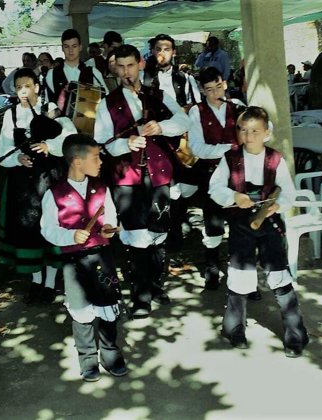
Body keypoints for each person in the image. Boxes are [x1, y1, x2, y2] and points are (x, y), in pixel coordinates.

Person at [93, 44, 190, 319]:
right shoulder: (107, 103)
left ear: (140, 65)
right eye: (121, 67)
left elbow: (184, 121)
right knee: (136, 238)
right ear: (115, 68)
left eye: (130, 66)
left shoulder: (158, 95)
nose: (126, 72)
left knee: (158, 233)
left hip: (159, 175)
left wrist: (162, 127)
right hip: (127, 178)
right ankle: (140, 297)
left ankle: (156, 286)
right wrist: (126, 143)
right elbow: (102, 142)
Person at [209, 106, 309, 356]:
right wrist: (234, 196)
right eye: (244, 130)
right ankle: (234, 327)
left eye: (255, 131)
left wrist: (277, 205)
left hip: (269, 223)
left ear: (266, 133)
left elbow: (287, 191)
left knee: (278, 272)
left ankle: (295, 332)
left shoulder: (275, 159)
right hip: (241, 223)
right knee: (240, 272)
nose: (249, 136)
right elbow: (215, 188)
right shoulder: (230, 158)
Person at [41, 133, 127, 382]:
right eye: (96, 157)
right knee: (81, 309)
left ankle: (110, 353)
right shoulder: (54, 193)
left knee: (107, 305)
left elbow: (110, 215)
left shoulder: (101, 187)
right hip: (74, 262)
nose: (101, 161)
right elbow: (48, 229)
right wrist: (70, 236)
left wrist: (109, 228)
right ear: (78, 161)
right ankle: (88, 358)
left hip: (102, 257)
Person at [0, 67, 77, 304]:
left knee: (50, 226)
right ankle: (36, 280)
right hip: (23, 185)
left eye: (27, 86)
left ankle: (50, 283)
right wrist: (18, 158)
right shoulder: (11, 115)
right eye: (19, 87)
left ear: (37, 87)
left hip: (50, 179)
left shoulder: (50, 109)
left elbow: (69, 138)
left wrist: (48, 147)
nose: (23, 91)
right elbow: (3, 152)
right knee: (29, 230)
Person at [188, 66, 248, 292]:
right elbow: (197, 148)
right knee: (213, 221)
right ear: (203, 91)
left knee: (240, 221)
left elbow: (262, 128)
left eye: (218, 87)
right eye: (209, 90)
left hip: (239, 173)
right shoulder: (197, 112)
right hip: (211, 173)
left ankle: (242, 271)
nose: (216, 93)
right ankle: (212, 267)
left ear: (224, 84)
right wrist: (229, 148)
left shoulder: (238, 106)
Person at [143, 33, 201, 252]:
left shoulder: (185, 78)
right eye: (158, 49)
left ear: (173, 52)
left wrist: (180, 115)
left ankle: (177, 224)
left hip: (179, 138)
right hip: (154, 140)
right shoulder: (145, 79)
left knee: (184, 185)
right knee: (163, 186)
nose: (162, 53)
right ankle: (167, 232)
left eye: (166, 49)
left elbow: (195, 107)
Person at [46, 29, 108, 106]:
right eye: (66, 46)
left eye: (74, 46)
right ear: (62, 48)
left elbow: (105, 97)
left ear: (80, 47)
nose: (70, 50)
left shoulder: (92, 72)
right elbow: (48, 102)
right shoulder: (52, 74)